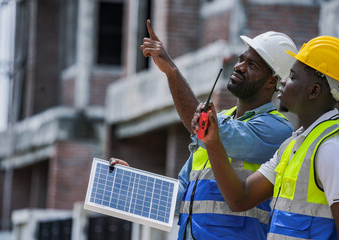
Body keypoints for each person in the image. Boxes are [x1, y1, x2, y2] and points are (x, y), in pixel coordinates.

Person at [112, 20, 297, 239]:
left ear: (271, 82)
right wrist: (132, 184)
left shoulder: (277, 130)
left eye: (252, 65)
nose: (239, 67)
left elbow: (214, 133)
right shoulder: (219, 122)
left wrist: (171, 71)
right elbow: (182, 194)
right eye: (241, 59)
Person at [192, 36, 339, 239]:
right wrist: (213, 142)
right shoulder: (291, 146)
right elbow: (240, 199)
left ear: (313, 91)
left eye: (293, 77)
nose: (283, 81)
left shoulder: (331, 148)